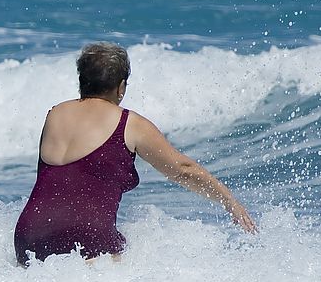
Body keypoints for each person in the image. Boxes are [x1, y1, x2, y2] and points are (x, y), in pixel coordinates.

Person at [14, 41, 256, 265]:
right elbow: (183, 170)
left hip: (28, 238)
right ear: (120, 87)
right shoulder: (130, 124)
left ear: (82, 80)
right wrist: (229, 201)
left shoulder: (55, 114)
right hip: (87, 239)